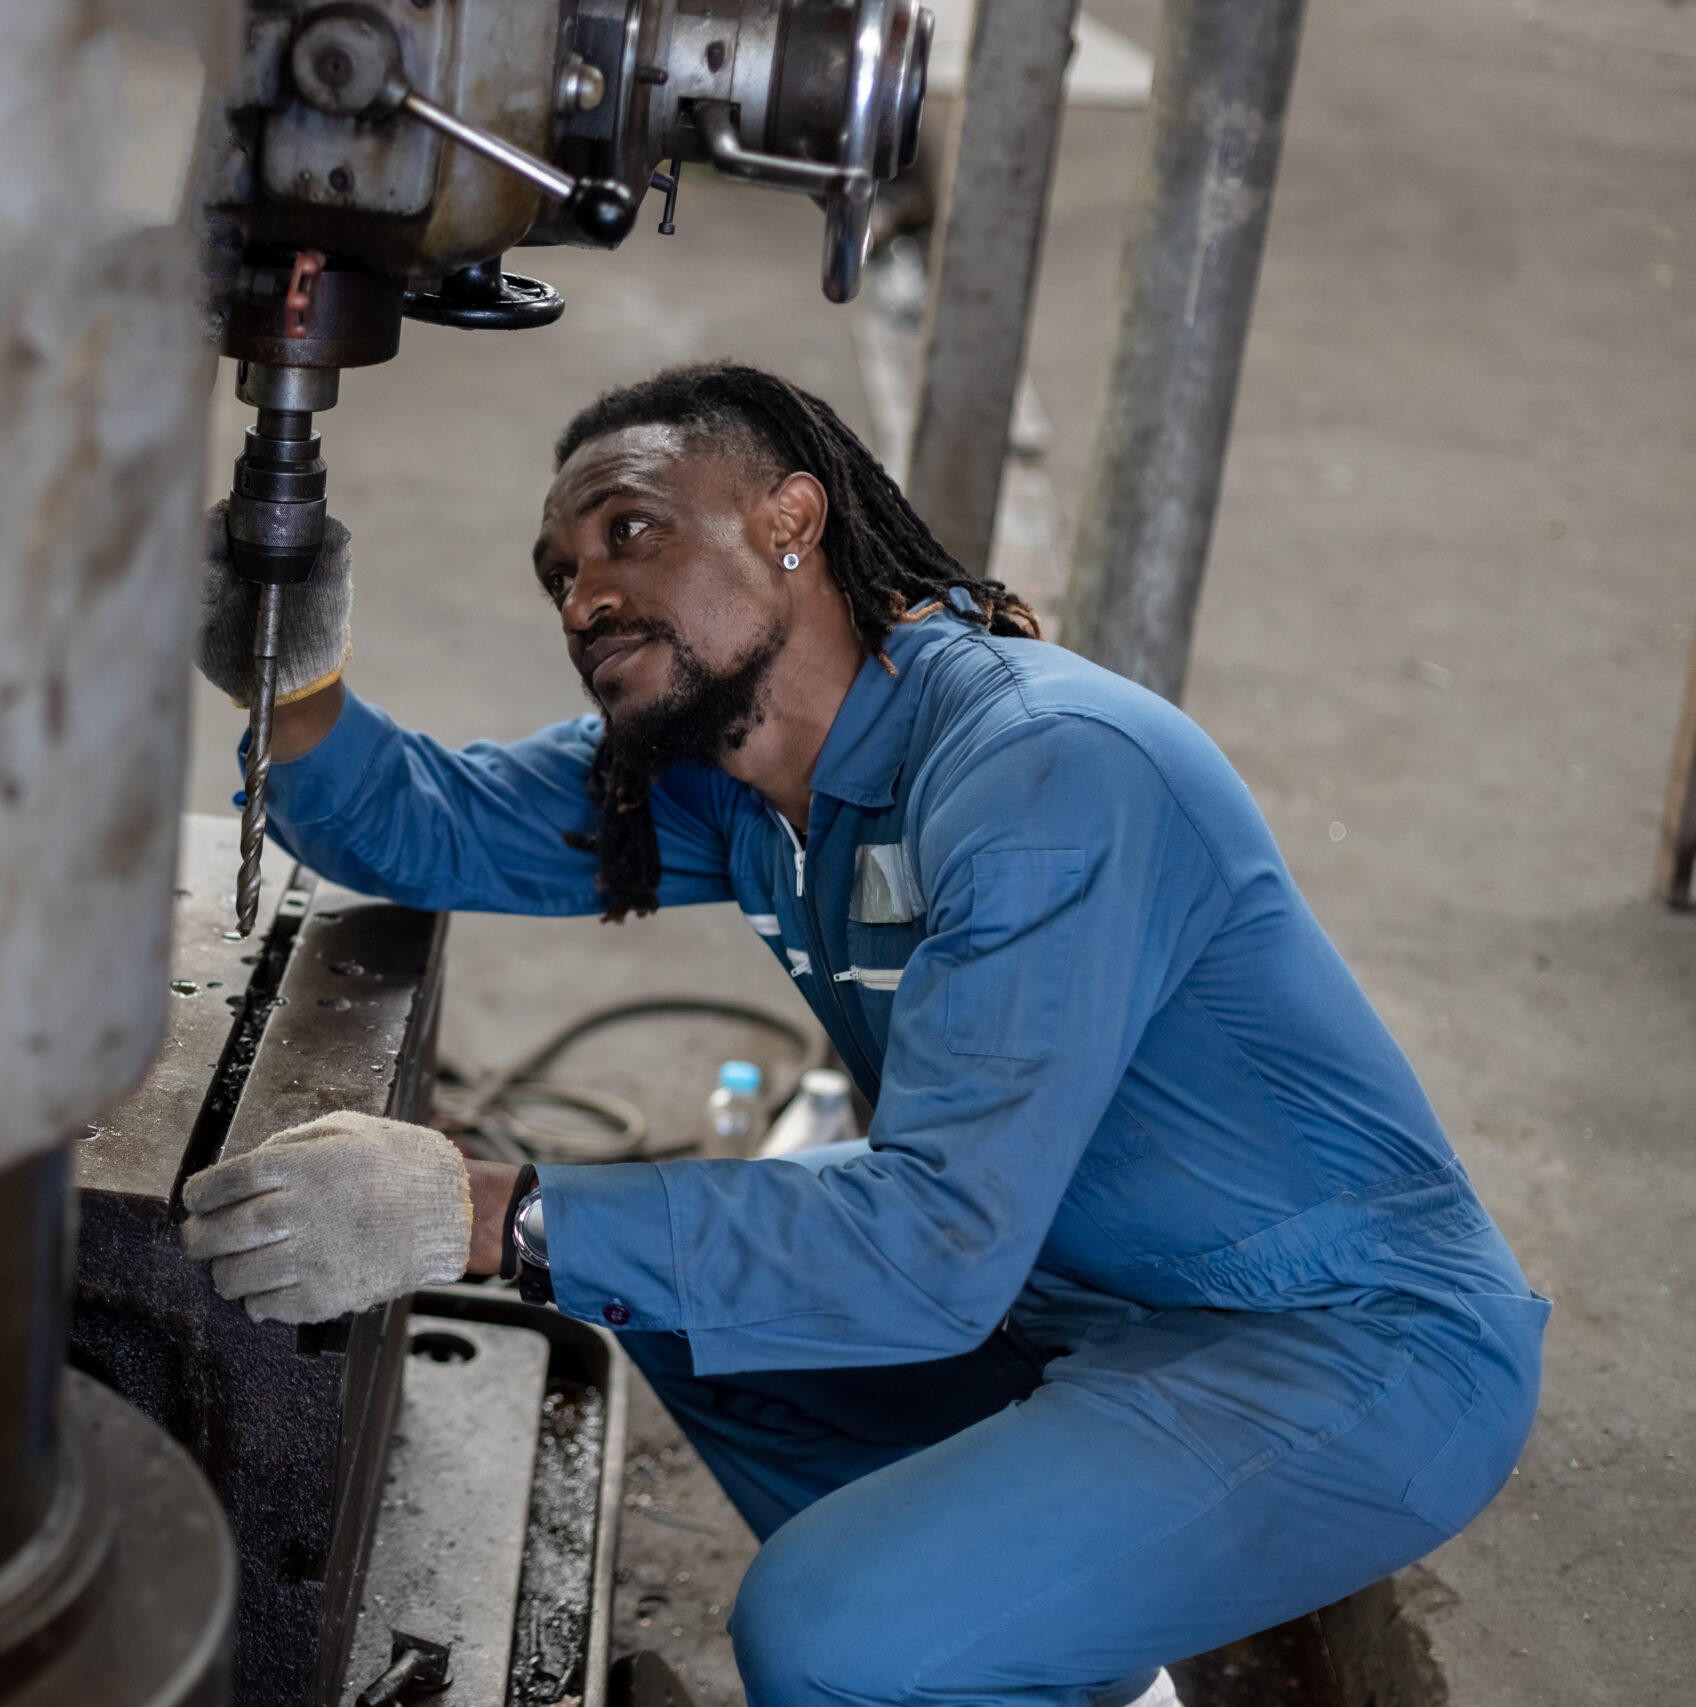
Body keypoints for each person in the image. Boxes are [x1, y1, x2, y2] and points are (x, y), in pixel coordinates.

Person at [180, 362, 1545, 1707]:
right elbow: (429, 824)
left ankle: (941, 1646)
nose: (588, 596)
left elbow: (939, 1245)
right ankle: (1031, 1647)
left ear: (792, 521)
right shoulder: (738, 780)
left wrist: (494, 1214)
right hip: (1071, 1284)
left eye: (631, 531)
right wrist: (292, 674)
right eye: (560, 575)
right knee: (676, 1294)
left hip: (1341, 1342)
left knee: (829, 1639)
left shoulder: (1041, 770)